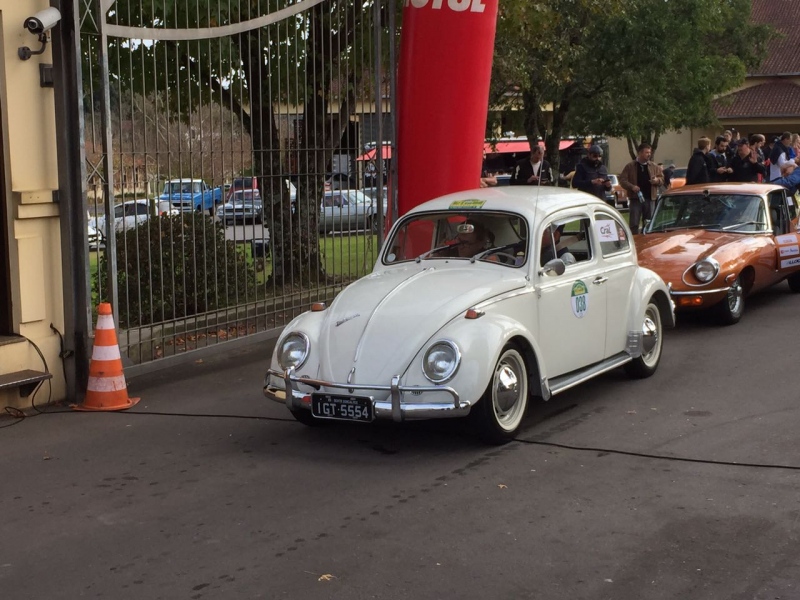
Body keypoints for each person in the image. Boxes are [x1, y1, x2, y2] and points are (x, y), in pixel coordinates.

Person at [619, 143, 664, 234]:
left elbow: (662, 179)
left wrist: (657, 180)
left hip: (650, 198)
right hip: (636, 199)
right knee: (634, 223)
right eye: (647, 152)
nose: (649, 154)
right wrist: (632, 187)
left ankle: (647, 241)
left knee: (649, 223)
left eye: (650, 152)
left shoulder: (654, 166)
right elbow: (622, 180)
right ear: (640, 153)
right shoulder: (630, 166)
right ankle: (635, 241)